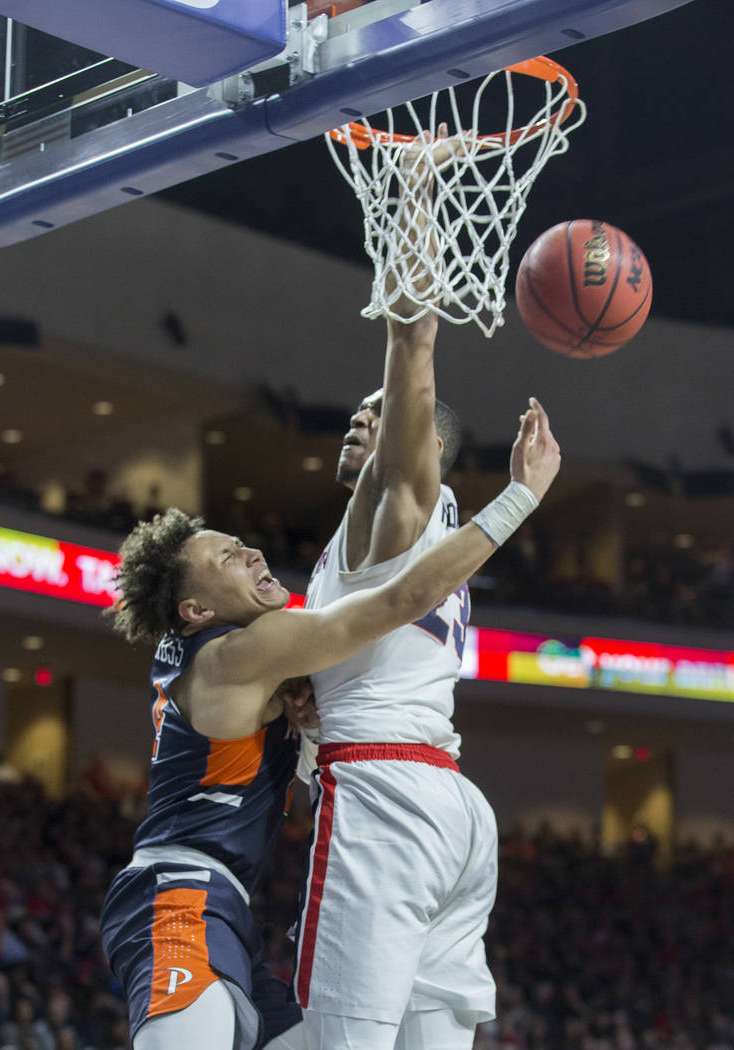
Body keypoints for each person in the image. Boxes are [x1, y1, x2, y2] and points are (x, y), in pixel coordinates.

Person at [99, 399, 559, 1050]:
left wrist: (306, 716)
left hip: (224, 909)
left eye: (242, 544)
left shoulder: (237, 663)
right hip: (177, 897)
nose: (254, 553)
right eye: (230, 557)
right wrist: (521, 497)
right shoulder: (239, 653)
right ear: (196, 607)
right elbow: (401, 601)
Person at [290, 323, 548, 1045]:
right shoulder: (434, 534)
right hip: (455, 807)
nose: (359, 418)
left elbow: (412, 353)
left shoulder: (392, 510)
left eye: (377, 414)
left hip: (384, 793)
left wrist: (414, 258)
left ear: (426, 447)